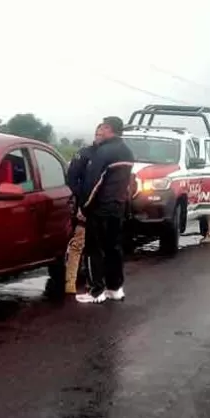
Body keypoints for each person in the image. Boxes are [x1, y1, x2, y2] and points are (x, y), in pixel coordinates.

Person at [75, 116, 135, 304]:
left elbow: (93, 183)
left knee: (95, 249)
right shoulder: (127, 151)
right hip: (118, 207)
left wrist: (84, 207)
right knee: (114, 248)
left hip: (101, 208)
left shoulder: (104, 152)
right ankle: (115, 288)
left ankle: (96, 291)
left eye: (102, 128)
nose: (100, 131)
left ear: (109, 128)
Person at [62, 135, 99, 295]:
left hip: (104, 206)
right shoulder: (84, 154)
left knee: (98, 246)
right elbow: (72, 179)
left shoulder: (111, 156)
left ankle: (95, 282)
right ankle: (70, 283)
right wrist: (80, 204)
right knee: (78, 244)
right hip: (84, 205)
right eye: (98, 133)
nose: (100, 136)